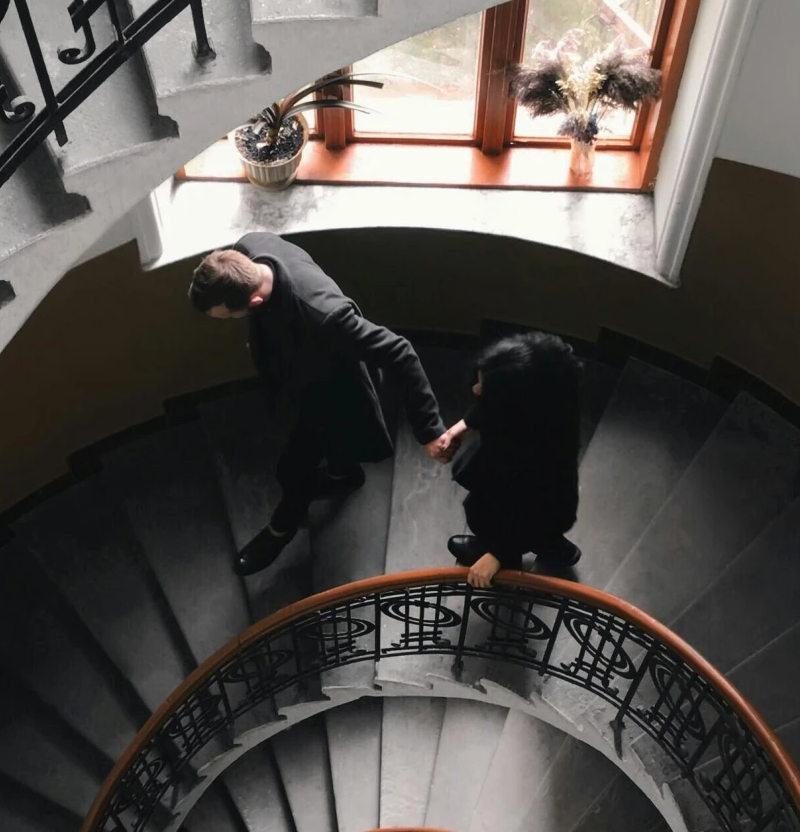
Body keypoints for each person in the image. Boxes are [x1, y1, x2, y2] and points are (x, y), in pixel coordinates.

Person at [189, 235, 453, 575]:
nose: (229, 321)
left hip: (334, 395)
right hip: (298, 380)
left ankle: (280, 530)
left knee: (292, 469)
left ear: (255, 300)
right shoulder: (251, 245)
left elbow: (399, 352)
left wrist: (430, 430)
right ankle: (345, 476)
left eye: (228, 316)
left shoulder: (325, 316)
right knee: (334, 455)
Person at [433, 332, 581, 587]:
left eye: (485, 389)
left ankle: (512, 558)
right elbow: (492, 401)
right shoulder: (545, 395)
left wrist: (500, 552)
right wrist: (462, 427)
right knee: (541, 525)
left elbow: (533, 505)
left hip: (530, 503)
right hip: (539, 500)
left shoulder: (539, 456)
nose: (475, 389)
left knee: (491, 514)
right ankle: (553, 545)